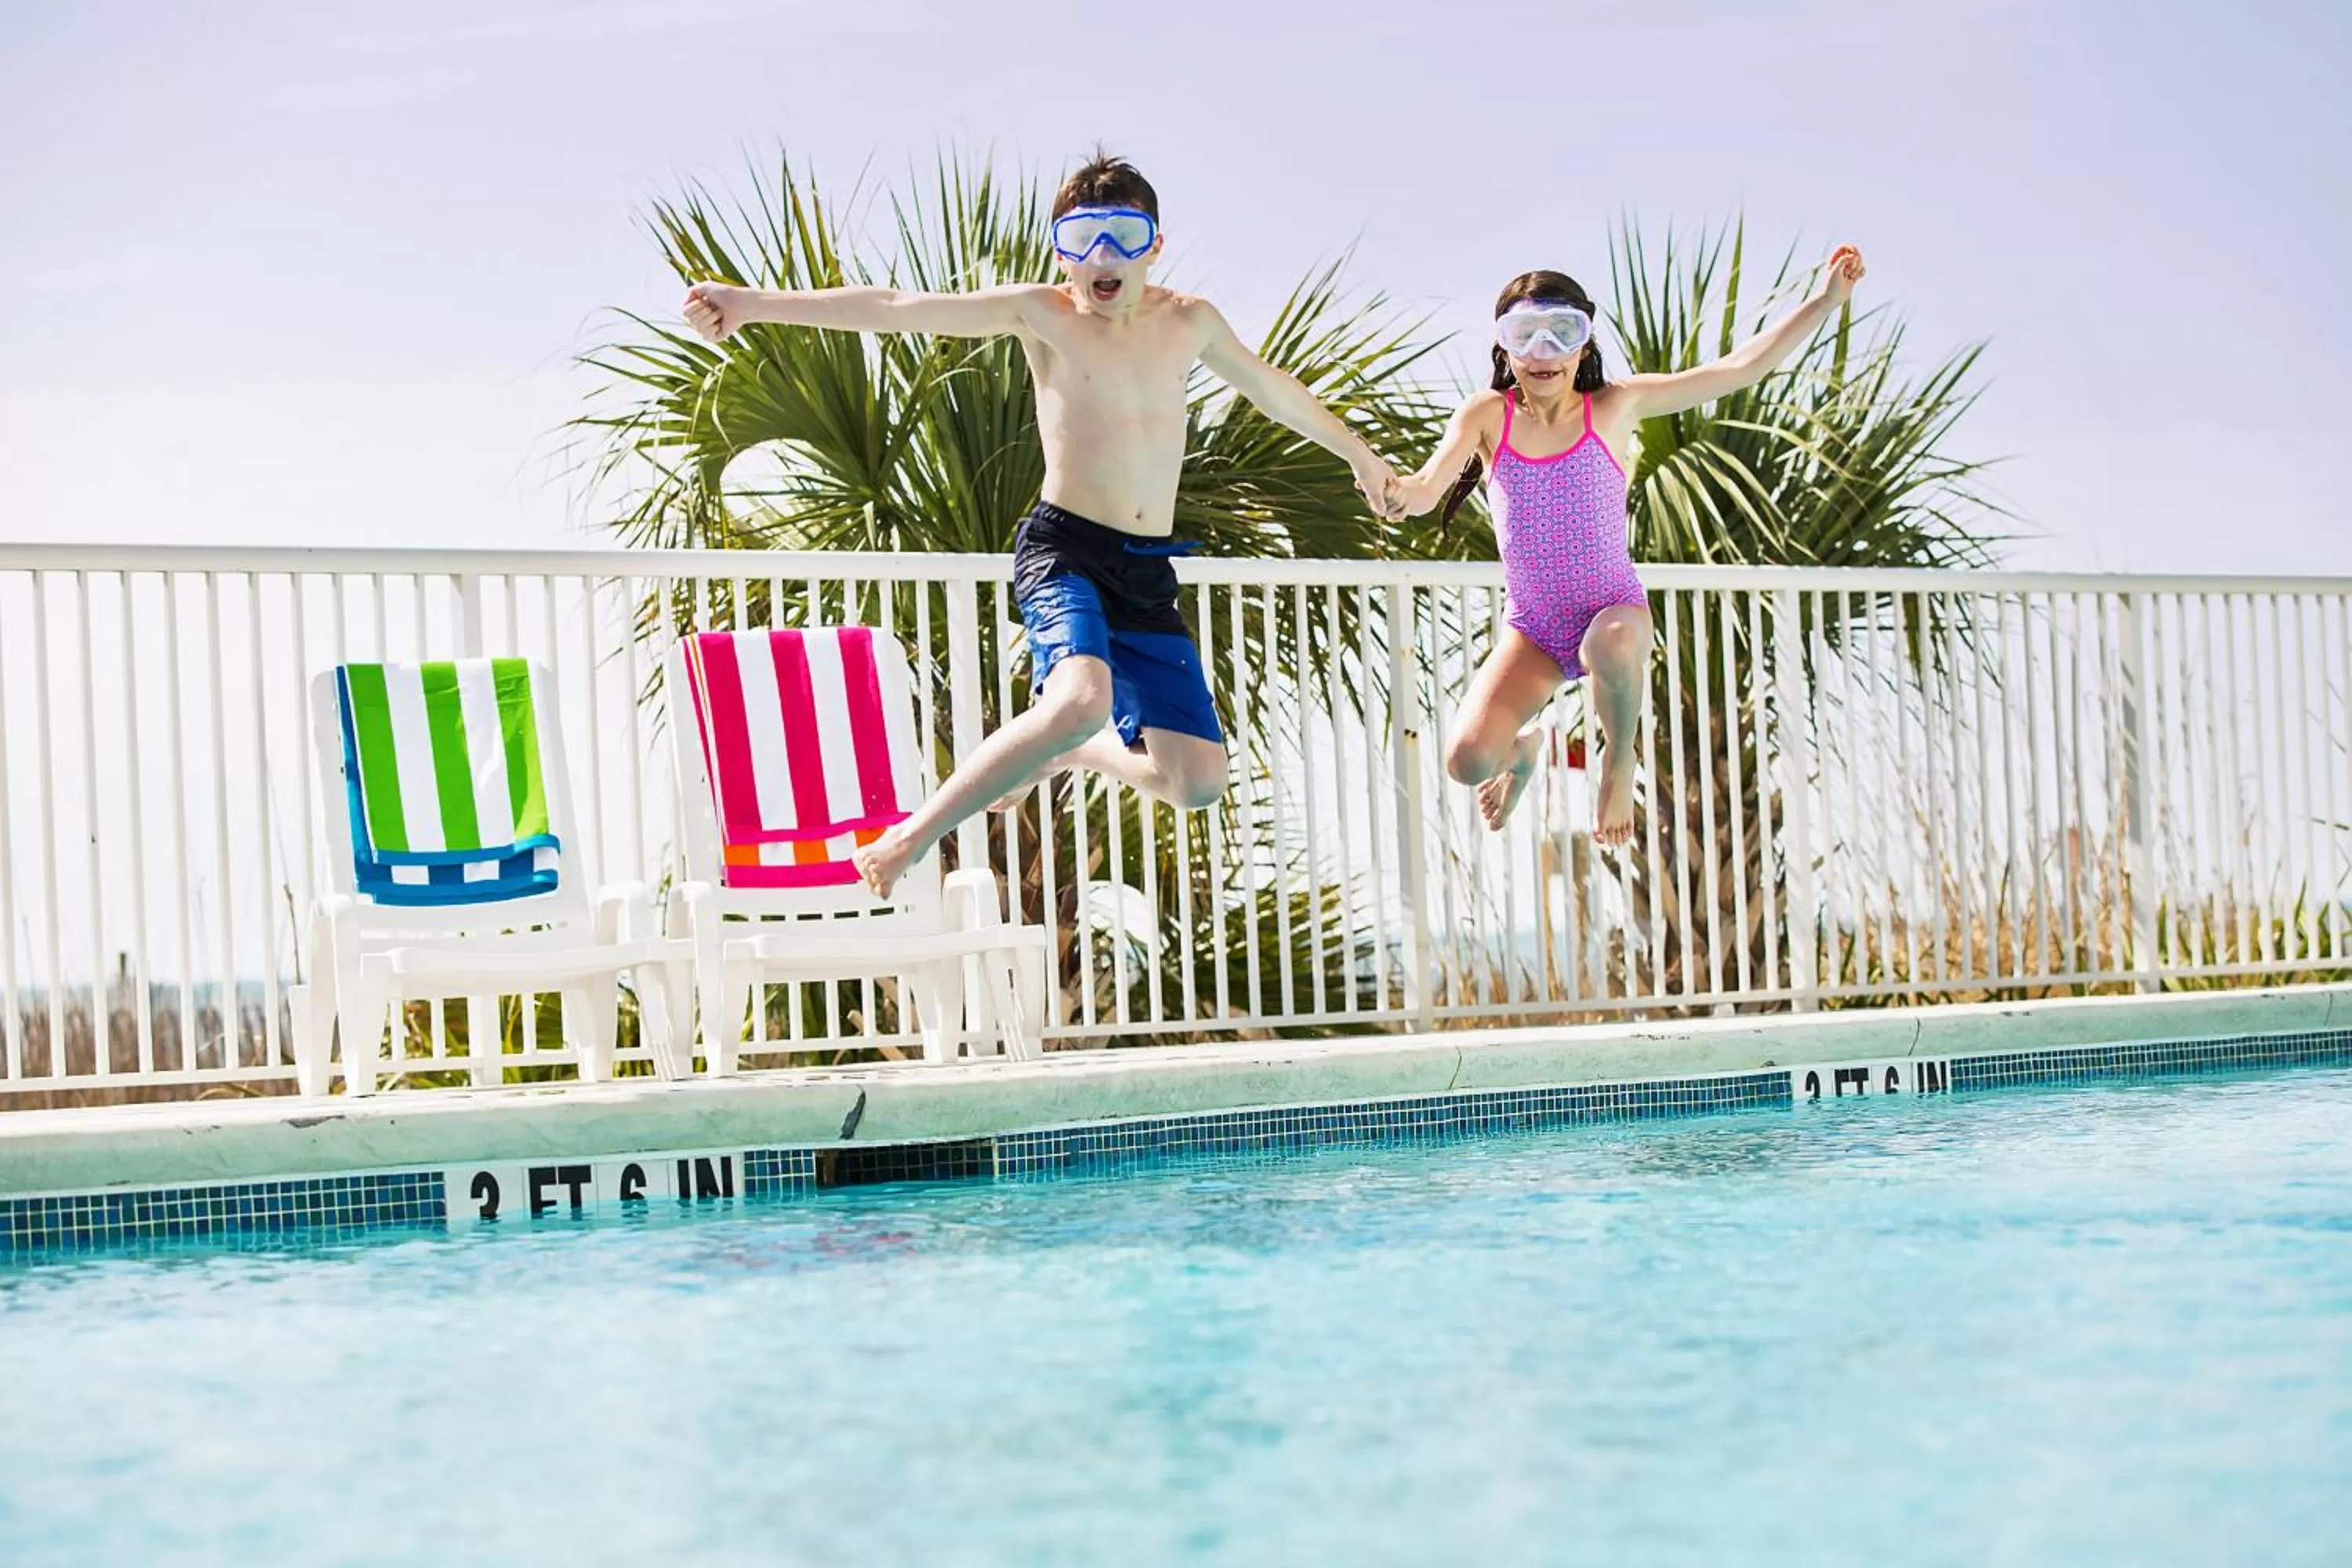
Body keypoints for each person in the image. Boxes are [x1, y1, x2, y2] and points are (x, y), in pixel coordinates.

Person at [682, 152, 1403, 897]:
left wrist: (1358, 454)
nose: (1103, 258)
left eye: (1123, 235)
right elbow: (898, 307)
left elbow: (1274, 390)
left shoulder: (1190, 322)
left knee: (1196, 781)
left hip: (1146, 569)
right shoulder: (1043, 314)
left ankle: (1074, 754)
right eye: (1083, 238)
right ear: (1061, 251)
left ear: (1155, 244)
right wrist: (752, 303)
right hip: (1065, 551)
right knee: (1080, 700)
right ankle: (908, 838)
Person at [1387, 246, 1867, 847]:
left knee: (1609, 643)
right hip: (1533, 631)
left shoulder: (1613, 407)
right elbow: (1428, 487)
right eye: (1524, 335)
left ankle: (1618, 762)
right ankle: (1526, 751)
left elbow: (1739, 369)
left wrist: (1825, 302)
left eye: (1562, 334)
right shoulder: (1490, 415)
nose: (1543, 354)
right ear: (1504, 347)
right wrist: (1399, 495)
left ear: (1584, 345)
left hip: (1614, 611)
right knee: (1467, 761)